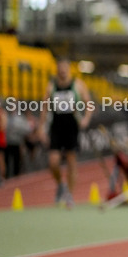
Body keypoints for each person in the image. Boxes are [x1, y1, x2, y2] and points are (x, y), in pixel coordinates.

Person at [40, 57, 93, 207]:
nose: (62, 71)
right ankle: (60, 184)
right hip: (56, 125)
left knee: (71, 161)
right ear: (57, 69)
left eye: (65, 67)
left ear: (69, 68)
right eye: (60, 67)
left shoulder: (77, 84)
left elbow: (89, 104)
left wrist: (86, 119)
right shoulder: (52, 86)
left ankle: (69, 194)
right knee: (53, 162)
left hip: (72, 125)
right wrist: (41, 128)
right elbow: (44, 108)